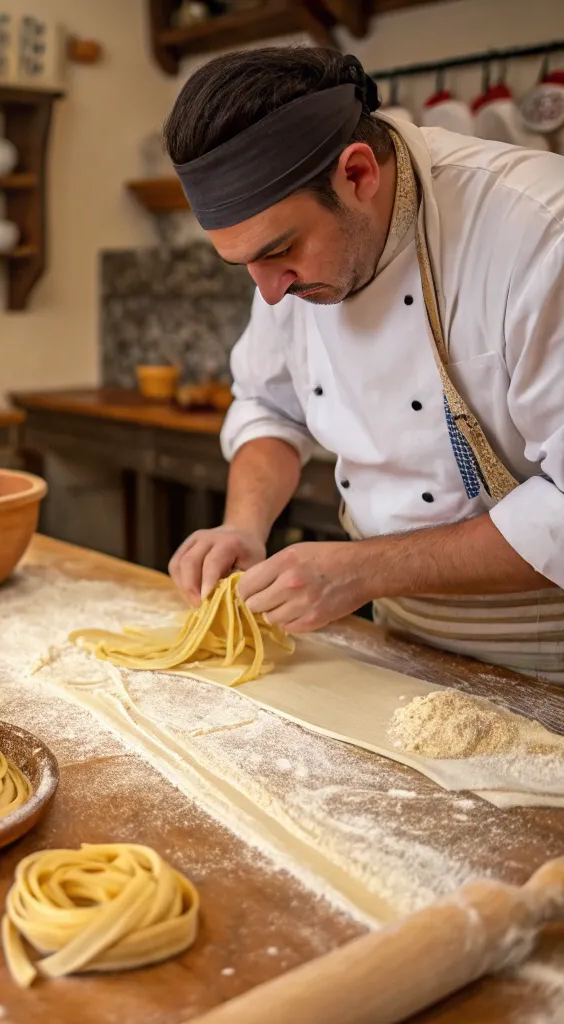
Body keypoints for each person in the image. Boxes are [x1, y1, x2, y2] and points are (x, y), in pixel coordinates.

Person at [162, 46, 564, 682]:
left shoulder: (540, 233)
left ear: (356, 174)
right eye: (247, 267)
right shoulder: (287, 268)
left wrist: (365, 570)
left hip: (548, 645)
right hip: (404, 633)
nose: (268, 292)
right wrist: (244, 523)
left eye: (280, 252)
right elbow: (270, 405)